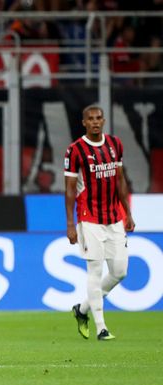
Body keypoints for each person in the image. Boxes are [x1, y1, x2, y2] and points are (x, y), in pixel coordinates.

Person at [66, 105, 135, 341]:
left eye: (98, 118)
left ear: (104, 120)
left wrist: (128, 213)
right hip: (89, 218)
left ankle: (82, 310)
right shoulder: (75, 150)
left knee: (120, 272)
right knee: (94, 271)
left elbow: (120, 180)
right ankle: (101, 327)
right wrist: (70, 223)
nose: (95, 122)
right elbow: (69, 190)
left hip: (114, 218)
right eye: (90, 119)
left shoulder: (115, 144)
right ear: (84, 122)